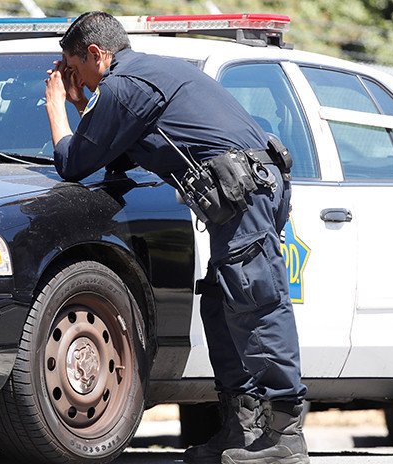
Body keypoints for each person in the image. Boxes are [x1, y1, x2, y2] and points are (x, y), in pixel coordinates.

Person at [44, 11, 308, 464]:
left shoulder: (126, 86)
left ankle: (285, 436)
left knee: (254, 302)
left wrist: (57, 106)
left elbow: (74, 161)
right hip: (248, 188)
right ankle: (241, 429)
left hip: (243, 190)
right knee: (222, 304)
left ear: (95, 54)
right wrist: (87, 105)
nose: (74, 78)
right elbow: (115, 152)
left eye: (73, 68)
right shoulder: (147, 75)